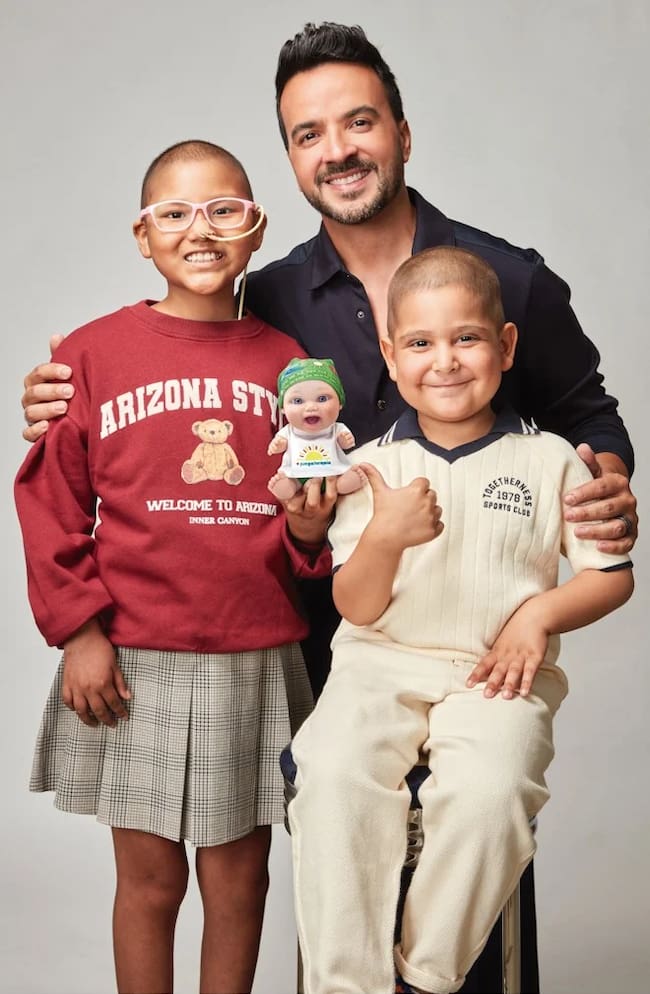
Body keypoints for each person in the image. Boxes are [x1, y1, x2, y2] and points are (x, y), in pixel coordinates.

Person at [18, 21, 638, 994]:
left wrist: (601, 486)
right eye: (308, 133)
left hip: (475, 638)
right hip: (332, 643)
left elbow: (585, 415)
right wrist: (53, 393)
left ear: (398, 128)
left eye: (357, 121)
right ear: (291, 158)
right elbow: (146, 395)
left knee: (473, 831)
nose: (337, 147)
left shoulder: (503, 275)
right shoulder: (268, 299)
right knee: (330, 852)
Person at [13, 139, 337, 994]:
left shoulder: (290, 363)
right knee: (152, 883)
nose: (202, 230)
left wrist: (309, 534)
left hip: (255, 650)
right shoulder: (90, 353)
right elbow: (48, 501)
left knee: (240, 877)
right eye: (176, 214)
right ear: (143, 235)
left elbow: (302, 520)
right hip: (133, 656)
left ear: (257, 228)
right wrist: (79, 633)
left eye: (224, 209)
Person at [287, 246, 634, 994]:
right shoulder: (371, 469)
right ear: (389, 353)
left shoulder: (552, 461)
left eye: (467, 338)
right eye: (419, 343)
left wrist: (540, 612)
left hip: (495, 676)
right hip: (376, 668)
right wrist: (383, 534)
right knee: (333, 775)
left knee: (494, 789)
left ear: (506, 346)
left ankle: (428, 973)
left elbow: (613, 578)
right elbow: (354, 605)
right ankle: (347, 983)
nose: (444, 362)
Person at [267, 356, 365, 499]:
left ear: (340, 403)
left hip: (332, 472)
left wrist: (344, 439)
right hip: (298, 474)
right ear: (283, 408)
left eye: (322, 399)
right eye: (298, 401)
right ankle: (289, 486)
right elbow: (281, 445)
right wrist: (278, 445)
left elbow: (345, 445)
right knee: (289, 482)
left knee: (341, 480)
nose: (311, 407)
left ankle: (343, 484)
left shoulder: (336, 428)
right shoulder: (288, 431)